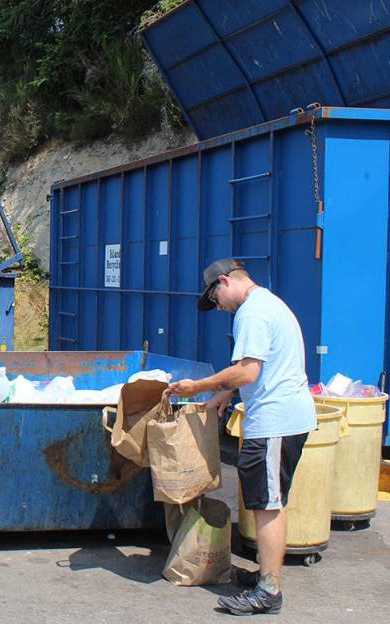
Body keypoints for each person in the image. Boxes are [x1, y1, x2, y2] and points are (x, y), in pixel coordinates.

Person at [167, 258, 316, 616]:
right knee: (267, 501)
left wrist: (200, 386)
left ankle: (269, 591)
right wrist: (224, 395)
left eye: (214, 298)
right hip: (282, 418)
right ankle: (266, 576)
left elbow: (248, 371)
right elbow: (266, 367)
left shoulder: (252, 312)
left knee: (267, 505)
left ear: (224, 281)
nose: (217, 307)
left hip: (275, 423)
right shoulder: (268, 303)